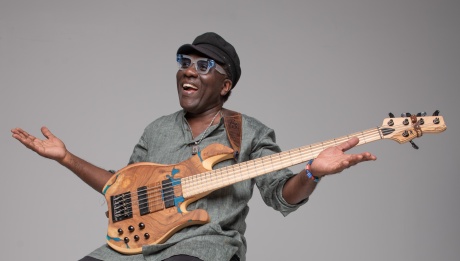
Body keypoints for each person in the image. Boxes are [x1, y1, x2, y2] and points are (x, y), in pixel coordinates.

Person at [11, 32, 376, 261]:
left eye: (204, 65)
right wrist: (66, 158)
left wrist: (313, 171)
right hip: (140, 247)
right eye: (184, 63)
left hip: (205, 248)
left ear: (225, 85)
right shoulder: (157, 130)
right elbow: (123, 188)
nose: (189, 71)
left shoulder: (248, 131)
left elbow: (280, 195)